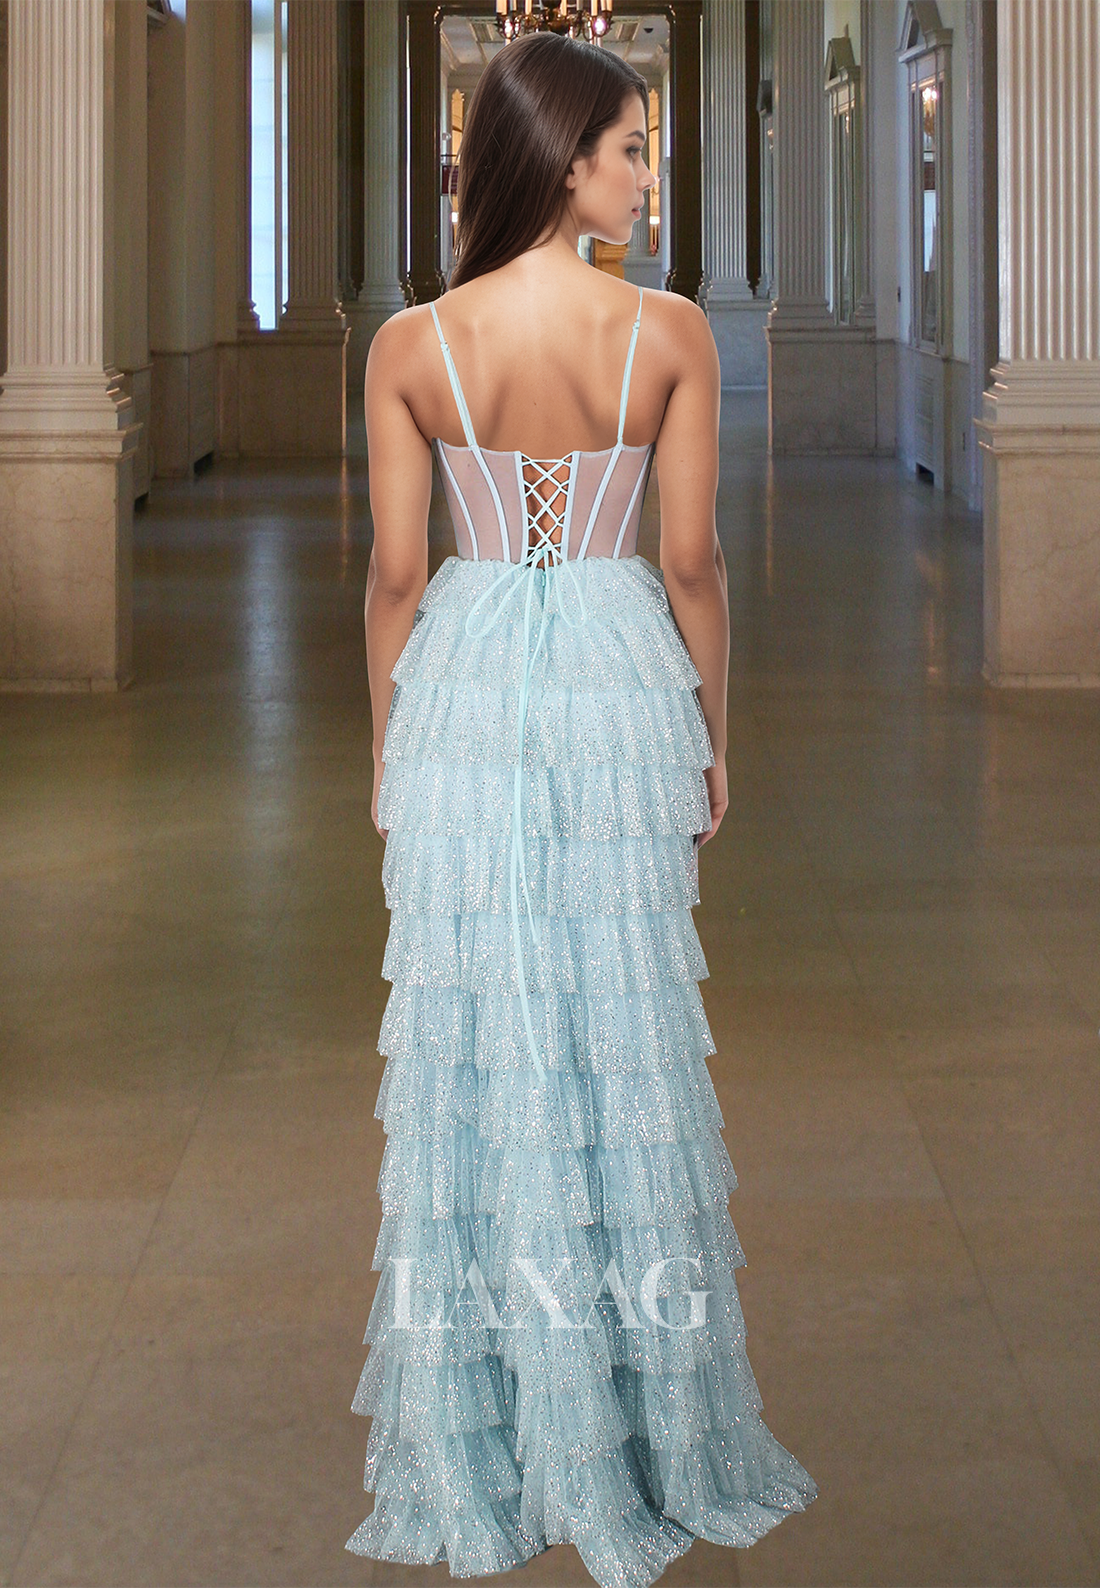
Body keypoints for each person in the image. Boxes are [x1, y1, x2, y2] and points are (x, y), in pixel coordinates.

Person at [346, 29, 817, 1588]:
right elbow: (690, 562)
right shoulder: (664, 330)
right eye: (628, 148)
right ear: (559, 160)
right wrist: (710, 734)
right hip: (617, 675)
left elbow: (398, 575)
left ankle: (494, 1425)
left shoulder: (413, 343)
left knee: (486, 1037)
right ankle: (636, 1421)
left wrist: (389, 746)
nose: (643, 175)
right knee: (621, 1031)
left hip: (469, 677)